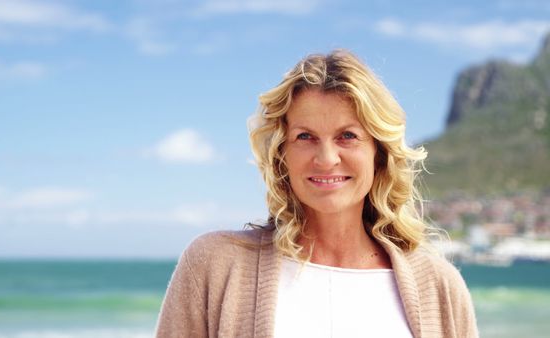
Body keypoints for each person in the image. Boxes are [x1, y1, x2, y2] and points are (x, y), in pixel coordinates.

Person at [155, 50, 478, 338]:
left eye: (347, 136)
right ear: (282, 153)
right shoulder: (215, 264)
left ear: (379, 153)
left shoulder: (439, 286)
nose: (326, 159)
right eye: (305, 136)